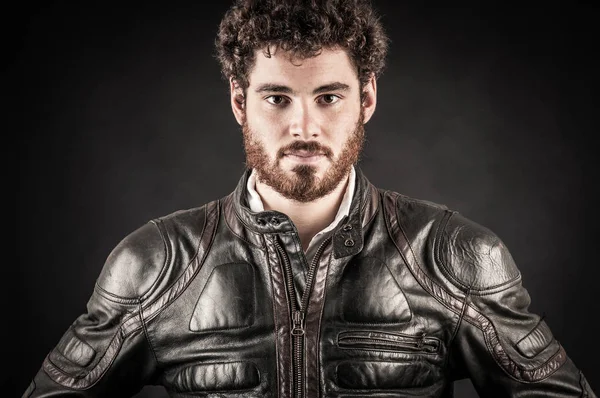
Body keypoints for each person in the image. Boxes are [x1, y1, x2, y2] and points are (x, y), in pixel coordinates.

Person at [23, 0, 596, 397]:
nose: (304, 126)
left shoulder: (453, 255)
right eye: (277, 98)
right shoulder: (155, 263)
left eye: (328, 96)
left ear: (366, 98)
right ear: (238, 102)